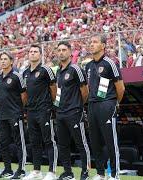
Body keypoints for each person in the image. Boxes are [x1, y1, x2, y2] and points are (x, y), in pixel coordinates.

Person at [85, 35, 125, 180]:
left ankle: (114, 174)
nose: (91, 44)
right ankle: (100, 174)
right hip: (92, 106)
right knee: (95, 142)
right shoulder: (88, 66)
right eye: (90, 42)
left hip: (107, 105)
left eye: (95, 42)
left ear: (103, 46)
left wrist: (114, 103)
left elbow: (120, 88)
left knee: (110, 141)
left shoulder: (110, 63)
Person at [55, 41, 91, 180]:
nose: (61, 52)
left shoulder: (76, 69)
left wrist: (77, 106)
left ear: (70, 52)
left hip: (74, 112)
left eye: (64, 50)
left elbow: (85, 91)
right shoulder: (58, 71)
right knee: (62, 145)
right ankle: (68, 172)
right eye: (59, 50)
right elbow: (58, 92)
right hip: (61, 113)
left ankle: (85, 172)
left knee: (81, 143)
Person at [22, 45, 58, 180]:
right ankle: (36, 171)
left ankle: (52, 172)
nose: (32, 54)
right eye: (30, 52)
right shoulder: (25, 72)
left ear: (40, 54)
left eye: (35, 52)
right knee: (34, 142)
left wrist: (53, 106)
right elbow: (25, 94)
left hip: (44, 110)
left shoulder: (46, 70)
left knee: (49, 140)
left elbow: (54, 88)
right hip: (31, 112)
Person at [0, 52, 27, 179]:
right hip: (3, 116)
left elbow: (24, 96)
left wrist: (19, 110)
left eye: (5, 59)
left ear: (11, 61)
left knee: (20, 143)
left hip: (15, 114)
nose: (2, 61)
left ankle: (22, 169)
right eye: (1, 59)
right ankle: (7, 169)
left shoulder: (17, 76)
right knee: (3, 143)